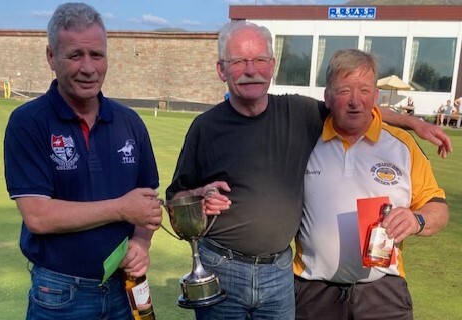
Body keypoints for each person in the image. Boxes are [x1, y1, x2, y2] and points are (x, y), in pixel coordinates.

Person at [166, 21, 452, 320]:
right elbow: (177, 201)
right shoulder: (215, 127)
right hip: (259, 278)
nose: (251, 69)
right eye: (239, 61)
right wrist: (198, 200)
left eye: (260, 59)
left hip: (319, 281)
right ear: (221, 69)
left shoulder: (306, 116)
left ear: (272, 65)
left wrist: (415, 124)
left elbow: (355, 106)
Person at [3, 3, 162, 319]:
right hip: (60, 293)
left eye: (97, 55)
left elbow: (147, 206)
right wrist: (120, 208)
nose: (89, 68)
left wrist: (141, 244)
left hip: (124, 288)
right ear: (52, 57)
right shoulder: (28, 122)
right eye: (75, 55)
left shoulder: (129, 122)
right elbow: (38, 216)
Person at [293, 49, 449, 320]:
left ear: (375, 98)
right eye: (343, 91)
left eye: (364, 90)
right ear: (327, 97)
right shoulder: (302, 140)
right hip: (312, 292)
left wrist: (418, 220)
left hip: (383, 292)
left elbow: (438, 208)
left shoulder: (402, 146)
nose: (355, 101)